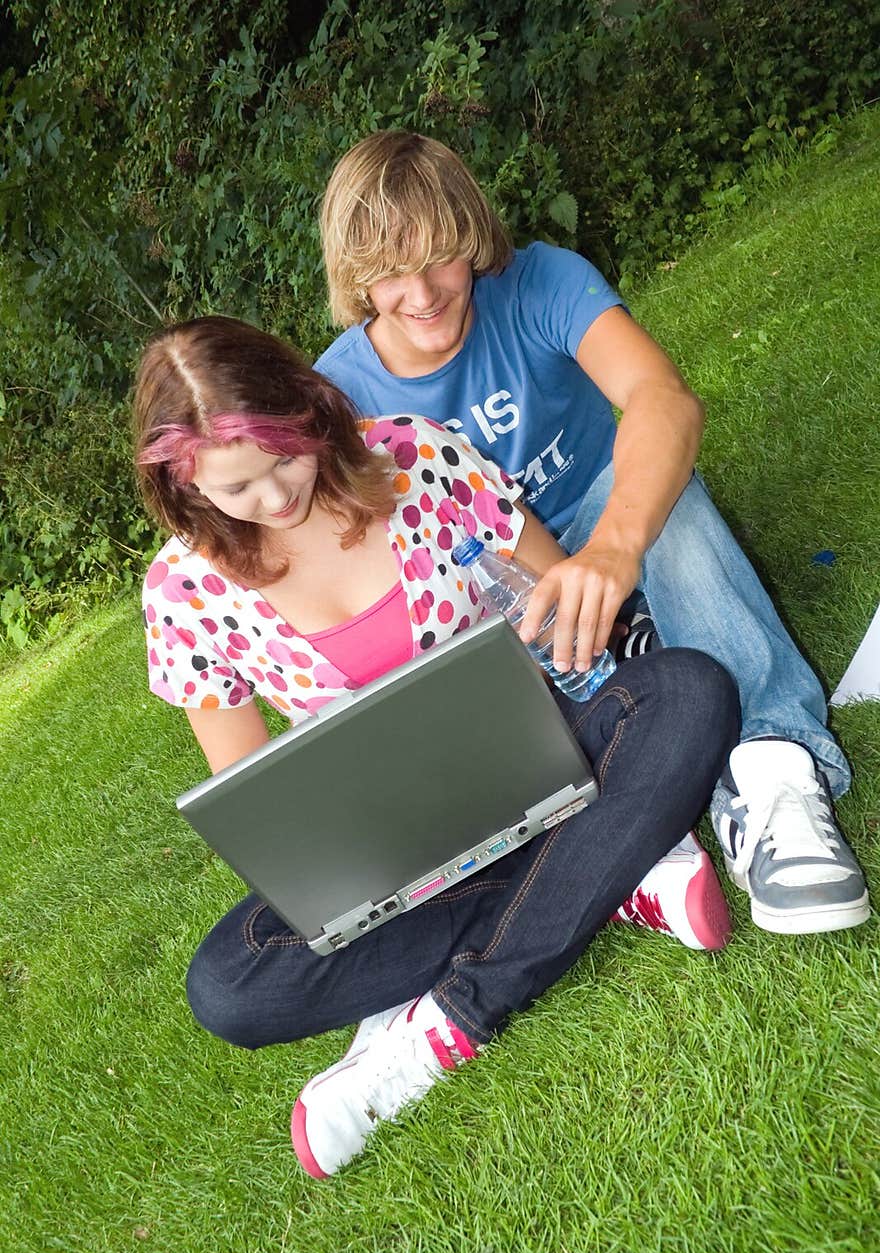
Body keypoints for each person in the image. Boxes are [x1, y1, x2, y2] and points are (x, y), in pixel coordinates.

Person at [134, 315, 740, 1178]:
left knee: (688, 692)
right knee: (230, 987)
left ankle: (451, 1016)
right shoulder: (181, 591)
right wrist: (343, 855)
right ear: (184, 484)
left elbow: (560, 604)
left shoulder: (416, 456)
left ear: (310, 412)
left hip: (551, 757)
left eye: (284, 460)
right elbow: (252, 790)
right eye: (238, 488)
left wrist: (555, 625)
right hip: (398, 862)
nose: (275, 498)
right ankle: (605, 875)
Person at [313, 129, 871, 938]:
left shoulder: (540, 281)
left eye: (439, 258)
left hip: (606, 510)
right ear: (355, 278)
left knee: (663, 493)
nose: (423, 292)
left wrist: (612, 547)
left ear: (472, 237)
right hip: (492, 580)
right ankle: (662, 740)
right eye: (390, 275)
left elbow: (663, 401)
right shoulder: (338, 394)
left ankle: (777, 770)